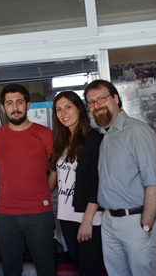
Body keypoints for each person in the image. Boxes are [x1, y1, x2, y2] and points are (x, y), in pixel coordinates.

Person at [84, 79, 156, 275]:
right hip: (109, 221)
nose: (96, 106)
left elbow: (155, 183)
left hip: (136, 220)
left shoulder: (137, 131)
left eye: (101, 99)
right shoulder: (105, 135)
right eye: (91, 102)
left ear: (116, 98)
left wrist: (146, 225)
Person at [0, 84, 57, 276]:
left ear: (28, 105)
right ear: (3, 108)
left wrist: (44, 193)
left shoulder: (44, 134)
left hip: (39, 213)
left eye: (19, 102)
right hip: (5, 215)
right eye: (10, 103)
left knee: (46, 266)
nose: (15, 107)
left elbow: (55, 171)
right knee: (10, 269)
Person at [49, 91, 104, 275]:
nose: (63, 113)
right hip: (66, 216)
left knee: (90, 269)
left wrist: (87, 221)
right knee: (79, 266)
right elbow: (56, 176)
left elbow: (97, 182)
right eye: (58, 109)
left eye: (68, 107)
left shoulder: (94, 139)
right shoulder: (62, 142)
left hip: (87, 217)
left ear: (79, 109)